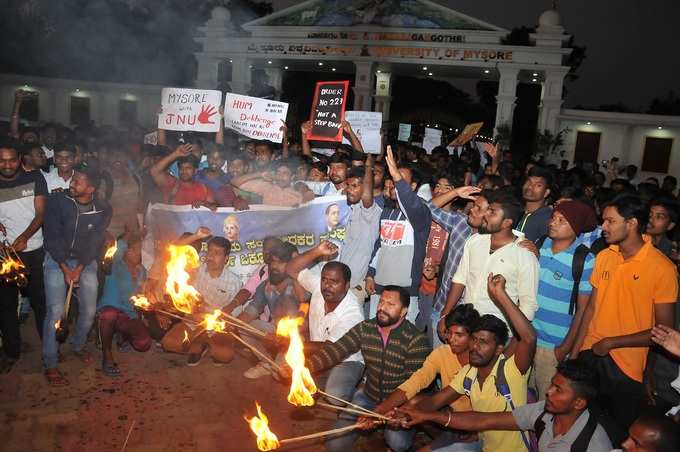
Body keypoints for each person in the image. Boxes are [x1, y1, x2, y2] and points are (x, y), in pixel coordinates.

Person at [571, 194, 678, 433]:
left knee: (616, 433)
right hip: (591, 354)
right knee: (582, 428)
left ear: (631, 224)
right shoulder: (605, 256)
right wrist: (576, 354)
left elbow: (665, 332)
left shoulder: (662, 268)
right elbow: (590, 310)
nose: (603, 227)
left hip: (626, 367)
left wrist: (612, 342)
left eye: (610, 221)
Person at [397, 271, 537, 452]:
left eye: (484, 342)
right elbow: (435, 401)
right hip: (483, 446)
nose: (475, 347)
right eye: (474, 339)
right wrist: (409, 412)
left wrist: (501, 295)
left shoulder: (512, 370)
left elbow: (529, 338)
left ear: (499, 349)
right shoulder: (468, 375)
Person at [281, 285, 430, 452]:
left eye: (390, 304)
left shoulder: (415, 340)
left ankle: (405, 428)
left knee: (398, 443)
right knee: (334, 444)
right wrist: (303, 367)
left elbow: (413, 387)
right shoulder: (366, 328)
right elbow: (337, 350)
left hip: (399, 403)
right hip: (369, 395)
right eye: (381, 301)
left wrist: (385, 413)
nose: (382, 307)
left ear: (403, 311)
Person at [398, 359, 613, 452]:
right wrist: (430, 416)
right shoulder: (543, 411)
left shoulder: (592, 445)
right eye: (551, 385)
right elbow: (484, 419)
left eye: (558, 390)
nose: (548, 391)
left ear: (579, 402)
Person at [42, 166, 112, 386]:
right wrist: (64, 268)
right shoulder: (57, 202)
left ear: (91, 188)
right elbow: (51, 237)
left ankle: (78, 345)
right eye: (73, 180)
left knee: (90, 310)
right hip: (56, 259)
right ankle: (50, 362)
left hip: (85, 261)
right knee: (55, 311)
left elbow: (95, 242)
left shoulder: (102, 208)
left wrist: (79, 268)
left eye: (78, 182)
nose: (71, 184)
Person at [376, 305, 479, 451]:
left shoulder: (481, 362)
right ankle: (443, 441)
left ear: (473, 337)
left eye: (459, 335)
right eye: (449, 333)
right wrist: (383, 409)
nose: (451, 339)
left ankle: (443, 443)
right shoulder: (442, 353)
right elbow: (416, 381)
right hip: (447, 412)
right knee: (412, 404)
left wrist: (406, 414)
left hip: (471, 422)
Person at [438, 189, 539, 336]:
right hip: (466, 326)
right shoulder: (475, 241)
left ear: (506, 223)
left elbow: (528, 306)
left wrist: (515, 341)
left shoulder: (525, 255)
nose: (485, 214)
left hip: (497, 335)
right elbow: (460, 279)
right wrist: (445, 315)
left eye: (492, 212)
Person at [284, 241, 366, 406]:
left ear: (346, 285)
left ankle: (358, 390)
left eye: (334, 282)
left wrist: (290, 343)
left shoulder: (352, 314)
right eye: (324, 280)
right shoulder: (319, 287)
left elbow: (330, 349)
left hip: (346, 360)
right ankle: (322, 380)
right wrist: (317, 251)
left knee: (335, 395)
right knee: (283, 370)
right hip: (318, 354)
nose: (327, 286)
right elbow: (291, 269)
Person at [532, 201, 598, 398]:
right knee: (521, 397)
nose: (553, 223)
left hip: (553, 345)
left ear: (576, 228)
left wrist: (565, 349)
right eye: (553, 217)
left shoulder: (584, 259)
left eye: (562, 220)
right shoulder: (540, 244)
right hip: (527, 336)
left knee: (547, 400)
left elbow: (583, 310)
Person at [366, 145, 432, 324]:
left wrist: (395, 174)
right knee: (376, 340)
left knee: (399, 345)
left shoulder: (420, 213)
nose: (396, 184)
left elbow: (411, 204)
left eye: (401, 181)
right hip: (379, 288)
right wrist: (371, 274)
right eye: (394, 179)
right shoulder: (386, 212)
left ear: (412, 186)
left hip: (404, 292)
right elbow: (380, 246)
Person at [0, 137, 48, 373]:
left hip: (33, 251)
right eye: (2, 161)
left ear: (19, 160)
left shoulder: (35, 178)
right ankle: (12, 351)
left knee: (41, 302)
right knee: (6, 305)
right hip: (5, 255)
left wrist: (25, 236)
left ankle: (49, 347)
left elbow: (40, 214)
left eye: (11, 160)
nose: (7, 165)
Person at [161, 237, 242, 366]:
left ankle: (204, 344)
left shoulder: (234, 282)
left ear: (226, 258)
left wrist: (225, 322)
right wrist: (193, 312)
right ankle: (199, 344)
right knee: (168, 343)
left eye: (217, 253)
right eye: (209, 251)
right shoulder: (195, 270)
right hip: (193, 321)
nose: (210, 256)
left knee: (224, 355)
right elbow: (174, 248)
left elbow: (233, 311)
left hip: (216, 327)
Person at [236, 243, 299, 379]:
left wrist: (284, 338)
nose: (274, 267)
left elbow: (301, 324)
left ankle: (293, 364)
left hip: (299, 339)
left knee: (280, 375)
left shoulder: (300, 287)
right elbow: (252, 310)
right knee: (244, 327)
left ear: (292, 264)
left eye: (280, 262)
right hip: (276, 333)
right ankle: (266, 363)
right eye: (272, 262)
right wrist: (232, 324)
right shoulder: (266, 285)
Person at [97, 234, 151, 377]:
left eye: (140, 250)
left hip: (128, 314)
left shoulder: (142, 271)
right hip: (110, 311)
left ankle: (121, 336)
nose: (140, 253)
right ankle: (107, 354)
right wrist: (132, 230)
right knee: (109, 315)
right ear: (127, 251)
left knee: (143, 343)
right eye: (136, 249)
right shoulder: (115, 263)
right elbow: (119, 244)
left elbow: (142, 296)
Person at [338, 157, 382, 303]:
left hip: (354, 286)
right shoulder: (346, 208)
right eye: (349, 185)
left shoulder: (371, 213)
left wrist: (368, 167)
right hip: (336, 280)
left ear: (366, 188)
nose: (350, 189)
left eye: (355, 186)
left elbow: (367, 197)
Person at [150, 143, 216, 208]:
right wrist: (175, 154)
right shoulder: (170, 184)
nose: (184, 171)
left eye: (188, 168)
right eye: (181, 168)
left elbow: (214, 209)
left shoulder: (204, 189)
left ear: (195, 171)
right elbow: (154, 171)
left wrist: (204, 204)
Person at [230, 160, 303, 207]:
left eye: (285, 173)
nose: (280, 176)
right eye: (278, 173)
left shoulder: (299, 192)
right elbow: (235, 182)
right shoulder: (267, 187)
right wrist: (260, 174)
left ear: (292, 177)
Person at [517, 166, 553, 242]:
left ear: (546, 192)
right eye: (528, 182)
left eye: (538, 185)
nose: (530, 186)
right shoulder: (515, 210)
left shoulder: (548, 219)